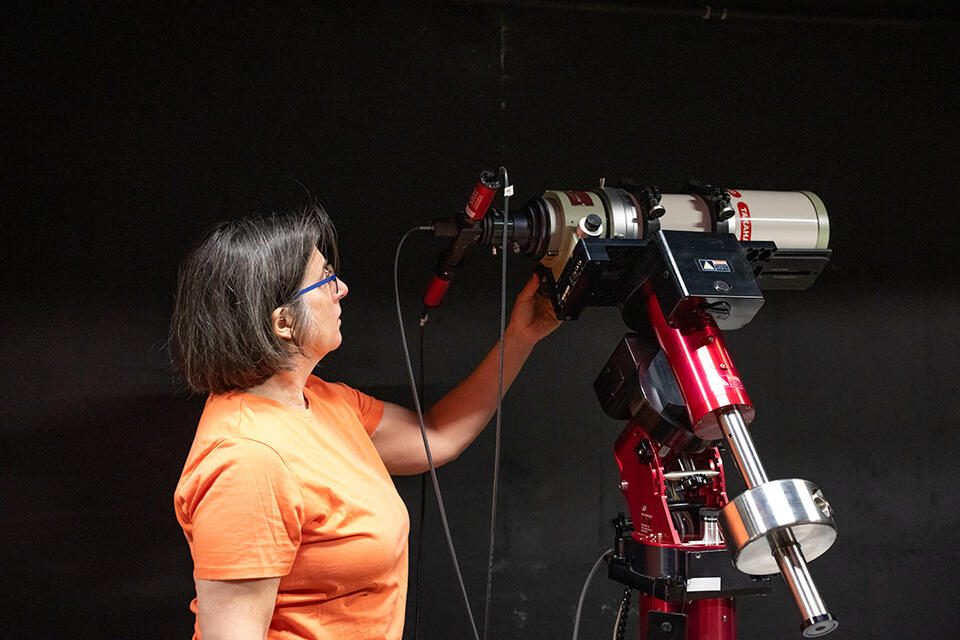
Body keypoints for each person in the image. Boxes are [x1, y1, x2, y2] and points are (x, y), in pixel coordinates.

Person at [169, 205, 560, 640]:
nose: (342, 288)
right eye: (323, 279)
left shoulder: (322, 401)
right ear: (281, 323)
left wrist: (522, 336)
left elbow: (435, 436)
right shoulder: (248, 461)